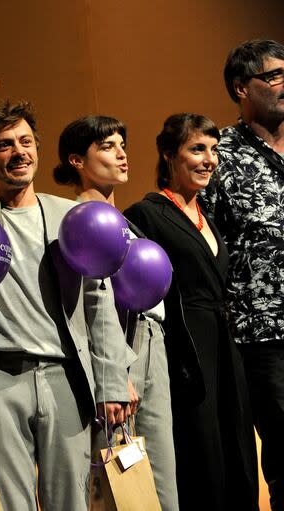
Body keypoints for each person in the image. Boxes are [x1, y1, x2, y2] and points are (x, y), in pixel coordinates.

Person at [0, 75, 131, 510]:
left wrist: (110, 381)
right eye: (4, 145)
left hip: (64, 377)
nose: (19, 152)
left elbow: (98, 300)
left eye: (26, 141)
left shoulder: (70, 215)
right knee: (8, 502)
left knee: (69, 498)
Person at [124, 113, 258, 511]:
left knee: (237, 447)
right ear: (168, 155)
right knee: (200, 452)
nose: (209, 159)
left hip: (224, 346)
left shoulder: (209, 220)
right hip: (184, 350)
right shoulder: (146, 214)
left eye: (213, 150)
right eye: (197, 149)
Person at [53, 115, 178, 511]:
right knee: (119, 480)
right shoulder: (75, 221)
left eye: (122, 144)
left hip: (150, 340)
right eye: (107, 146)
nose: (121, 154)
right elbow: (91, 305)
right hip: (117, 351)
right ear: (76, 160)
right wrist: (114, 375)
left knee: (160, 471)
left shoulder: (125, 222)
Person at [202, 39, 284, 510]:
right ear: (240, 88)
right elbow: (206, 245)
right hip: (265, 335)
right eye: (272, 76)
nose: (283, 83)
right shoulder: (221, 156)